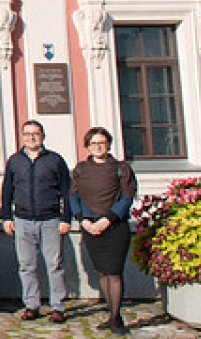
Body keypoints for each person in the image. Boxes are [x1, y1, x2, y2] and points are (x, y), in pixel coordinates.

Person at [0, 120, 73, 323]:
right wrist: (6, 217)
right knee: (26, 265)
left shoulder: (55, 160)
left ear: (43, 136)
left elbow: (67, 191)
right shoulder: (15, 161)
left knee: (54, 264)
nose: (31, 137)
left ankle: (58, 306)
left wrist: (66, 217)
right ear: (22, 137)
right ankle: (32, 305)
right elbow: (7, 191)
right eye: (28, 134)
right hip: (22, 220)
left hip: (50, 219)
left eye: (36, 134)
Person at [71, 127, 137, 335]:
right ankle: (110, 314)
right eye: (93, 143)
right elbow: (74, 196)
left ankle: (117, 317)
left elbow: (127, 197)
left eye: (101, 143)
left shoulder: (121, 168)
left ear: (108, 144)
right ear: (87, 147)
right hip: (90, 227)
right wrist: (83, 220)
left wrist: (107, 219)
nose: (98, 147)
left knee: (114, 272)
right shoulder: (80, 169)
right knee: (101, 271)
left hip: (115, 227)